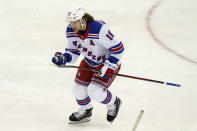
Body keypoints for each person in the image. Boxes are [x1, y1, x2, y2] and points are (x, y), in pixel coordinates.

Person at [52, 6, 124, 124]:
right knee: (78, 91)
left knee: (95, 92)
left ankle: (114, 103)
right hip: (88, 63)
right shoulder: (71, 30)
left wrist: (109, 65)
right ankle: (86, 110)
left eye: (75, 22)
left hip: (106, 65)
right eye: (70, 22)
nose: (72, 25)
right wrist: (64, 58)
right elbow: (73, 51)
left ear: (84, 20)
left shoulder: (100, 29)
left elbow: (118, 48)